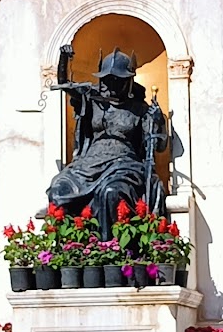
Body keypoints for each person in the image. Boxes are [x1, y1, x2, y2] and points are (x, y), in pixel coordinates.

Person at [46, 46, 169, 239]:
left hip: (123, 166)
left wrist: (158, 121)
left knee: (111, 192)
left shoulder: (140, 110)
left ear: (127, 82)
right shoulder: (93, 102)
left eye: (114, 80)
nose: (106, 84)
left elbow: (159, 146)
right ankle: (68, 251)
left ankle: (109, 250)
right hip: (87, 166)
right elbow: (65, 84)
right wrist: (63, 59)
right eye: (104, 79)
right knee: (58, 190)